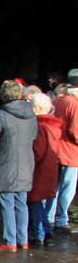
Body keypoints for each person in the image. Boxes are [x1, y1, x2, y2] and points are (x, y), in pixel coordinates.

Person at [0, 80, 38, 251]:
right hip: (25, 163)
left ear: (3, 95)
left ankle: (10, 241)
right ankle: (23, 240)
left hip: (6, 163)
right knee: (21, 203)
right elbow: (34, 135)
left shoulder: (1, 115)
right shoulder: (31, 115)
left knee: (7, 203)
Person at [27, 92, 63, 246]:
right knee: (39, 202)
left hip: (39, 170)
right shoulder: (53, 125)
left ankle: (38, 233)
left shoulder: (41, 126)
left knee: (34, 201)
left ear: (38, 108)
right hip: (49, 168)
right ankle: (46, 229)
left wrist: (28, 161)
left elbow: (38, 151)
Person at [49, 74, 78, 233]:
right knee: (68, 187)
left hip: (57, 148)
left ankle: (50, 217)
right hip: (71, 151)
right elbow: (75, 131)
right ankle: (61, 219)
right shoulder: (75, 104)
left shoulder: (57, 100)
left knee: (56, 186)